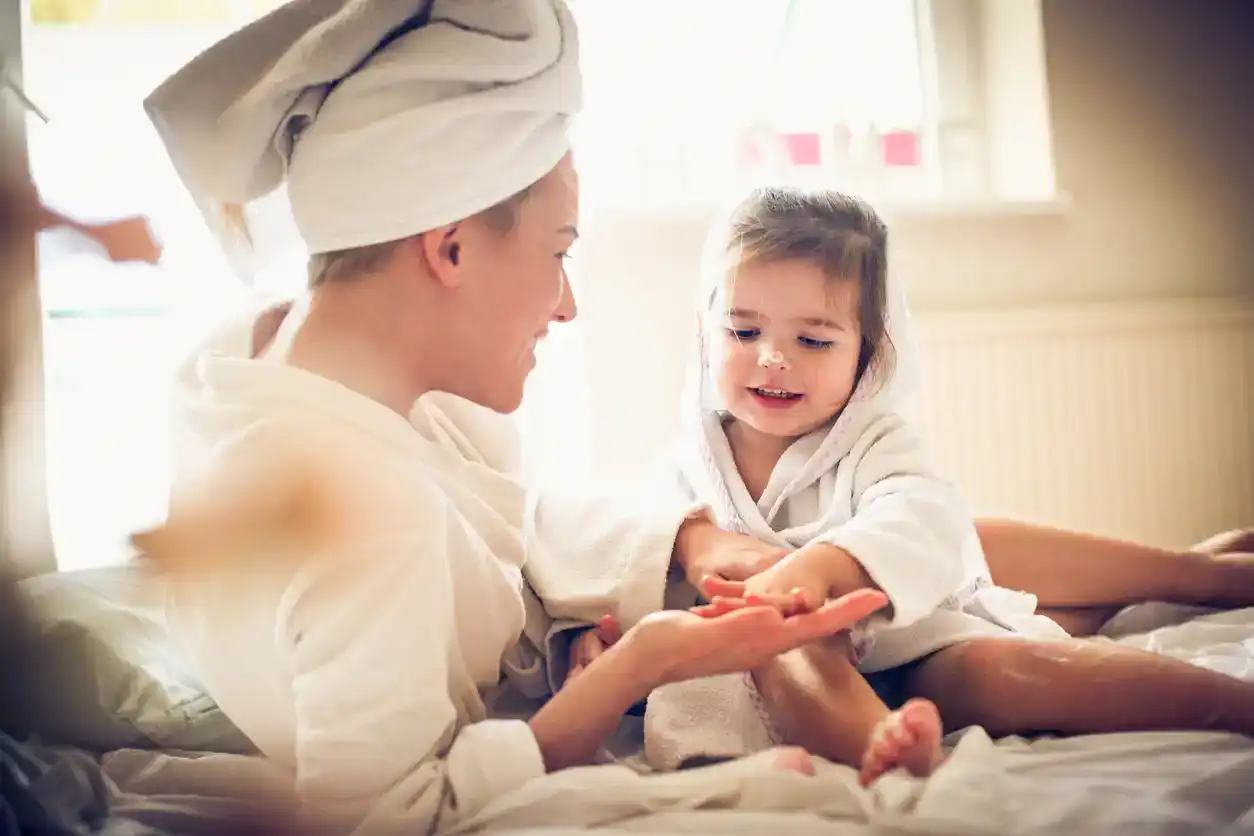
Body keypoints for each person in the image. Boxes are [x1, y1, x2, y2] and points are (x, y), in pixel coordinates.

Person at [134, 2, 884, 832]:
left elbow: (504, 518)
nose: (567, 305)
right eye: (558, 251)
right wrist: (634, 668)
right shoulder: (369, 515)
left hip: (572, 617)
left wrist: (680, 544)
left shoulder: (254, 361)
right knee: (860, 583)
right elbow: (395, 816)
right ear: (450, 247)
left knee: (843, 546)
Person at [622, 185, 1254, 785]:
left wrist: (828, 564)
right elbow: (638, 562)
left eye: (813, 339)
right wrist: (603, 639)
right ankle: (883, 742)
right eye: (742, 331)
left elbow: (923, 515)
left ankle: (1232, 691)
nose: (772, 358)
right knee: (789, 640)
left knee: (1011, 665)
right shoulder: (685, 466)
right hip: (822, 678)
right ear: (703, 331)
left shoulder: (873, 440)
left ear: (868, 354)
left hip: (918, 643)